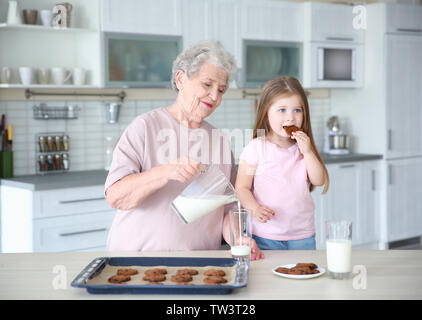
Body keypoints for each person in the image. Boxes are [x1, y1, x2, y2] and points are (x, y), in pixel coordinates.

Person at [105, 40, 264, 260]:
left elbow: (227, 210)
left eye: (221, 90)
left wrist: (238, 238)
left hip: (199, 265)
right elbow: (115, 196)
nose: (215, 97)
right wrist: (165, 172)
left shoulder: (219, 141)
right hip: (135, 261)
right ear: (181, 79)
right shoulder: (145, 127)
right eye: (207, 85)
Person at [235, 76, 329, 250]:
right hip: (265, 235)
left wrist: (307, 151)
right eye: (282, 110)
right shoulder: (256, 148)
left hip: (303, 235)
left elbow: (319, 180)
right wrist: (254, 208)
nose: (291, 117)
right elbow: (242, 188)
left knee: (302, 273)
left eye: (297, 110)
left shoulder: (304, 147)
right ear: (266, 112)